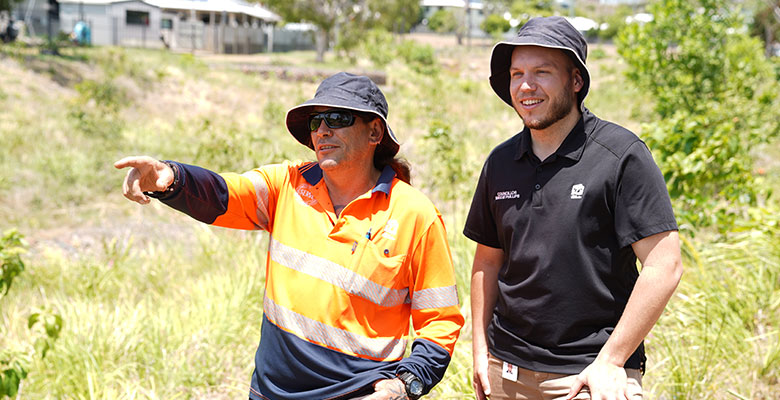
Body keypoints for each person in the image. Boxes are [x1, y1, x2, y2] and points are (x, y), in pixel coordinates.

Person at [115, 72, 465, 400]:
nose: (323, 130)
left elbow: (440, 321)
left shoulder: (415, 215)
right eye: (316, 122)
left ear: (375, 133)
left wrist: (405, 385)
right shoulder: (286, 185)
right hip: (272, 392)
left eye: (338, 119)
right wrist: (169, 177)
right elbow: (223, 194)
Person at [464, 17, 683, 400]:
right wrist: (481, 352)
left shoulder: (620, 156)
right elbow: (487, 262)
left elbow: (665, 265)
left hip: (590, 374)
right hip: (506, 369)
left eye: (542, 72)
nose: (525, 86)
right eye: (517, 73)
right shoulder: (500, 162)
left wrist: (611, 361)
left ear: (576, 81)